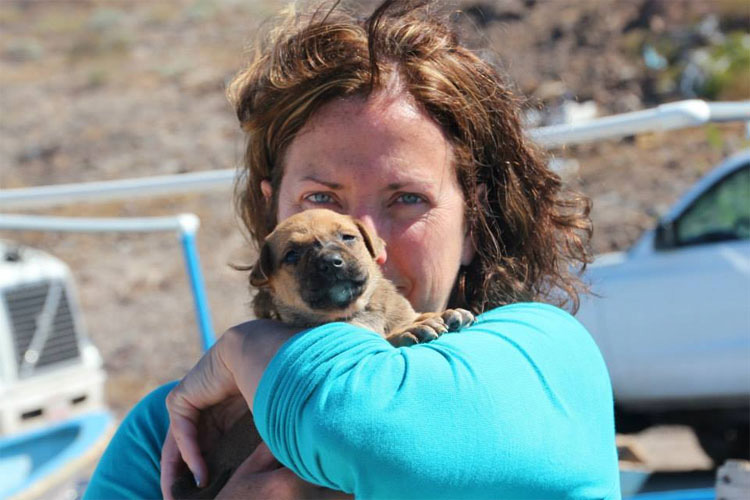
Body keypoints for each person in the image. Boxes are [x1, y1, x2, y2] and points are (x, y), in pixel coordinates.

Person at [84, 0, 621, 498]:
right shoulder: (167, 430)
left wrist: (245, 349)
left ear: (474, 223)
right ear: (274, 215)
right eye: (319, 199)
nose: (367, 242)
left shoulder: (543, 358)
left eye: (408, 198)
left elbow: (356, 426)